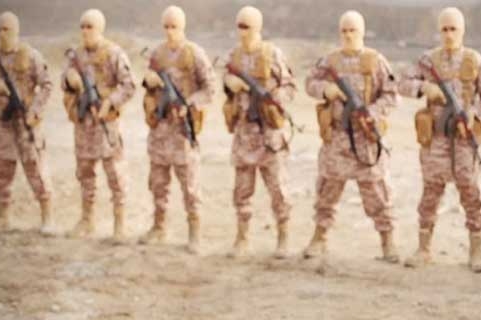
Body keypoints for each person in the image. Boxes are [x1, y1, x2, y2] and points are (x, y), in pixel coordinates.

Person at [398, 7, 481, 271]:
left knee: (470, 192)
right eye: (444, 29)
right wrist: (424, 87)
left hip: (464, 139)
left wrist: (474, 112)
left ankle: (476, 252)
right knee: (430, 193)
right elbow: (402, 83)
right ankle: (423, 249)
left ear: (462, 30)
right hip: (436, 140)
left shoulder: (474, 60)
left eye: (453, 29)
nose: (449, 34)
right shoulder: (428, 60)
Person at [302, 10, 400, 263]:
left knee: (377, 193)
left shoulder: (375, 61)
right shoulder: (330, 61)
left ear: (362, 32)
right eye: (344, 31)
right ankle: (319, 239)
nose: (347, 35)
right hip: (337, 138)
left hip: (366, 139)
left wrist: (372, 113)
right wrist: (327, 89)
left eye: (352, 30)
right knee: (327, 191)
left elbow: (392, 95)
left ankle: (388, 243)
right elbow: (309, 83)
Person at [139, 5, 216, 254]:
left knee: (190, 187)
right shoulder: (157, 53)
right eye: (166, 26)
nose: (170, 31)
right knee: (157, 184)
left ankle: (195, 233)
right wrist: (149, 81)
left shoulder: (195, 54)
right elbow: (148, 83)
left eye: (174, 26)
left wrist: (189, 104)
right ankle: (158, 227)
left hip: (183, 131)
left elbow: (210, 89)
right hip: (160, 131)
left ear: (183, 27)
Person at [222, 6, 296, 259]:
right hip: (244, 135)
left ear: (258, 27)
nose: (242, 31)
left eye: (247, 26)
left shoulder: (272, 54)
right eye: (239, 26)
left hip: (269, 137)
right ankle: (242, 238)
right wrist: (230, 84)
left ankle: (283, 239)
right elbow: (225, 79)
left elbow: (290, 88)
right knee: (241, 191)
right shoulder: (234, 56)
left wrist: (272, 100)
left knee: (278, 190)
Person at [62, 9, 135, 242]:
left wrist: (110, 102)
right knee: (85, 174)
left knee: (115, 175)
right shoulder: (75, 56)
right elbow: (64, 83)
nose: (85, 31)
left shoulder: (114, 53)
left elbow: (129, 85)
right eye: (82, 26)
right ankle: (87, 220)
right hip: (83, 125)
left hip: (107, 125)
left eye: (90, 26)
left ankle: (119, 225)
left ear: (100, 28)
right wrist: (69, 79)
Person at [0, 11, 54, 234]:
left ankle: (47, 217)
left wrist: (35, 111)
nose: (2, 34)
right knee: (2, 172)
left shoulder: (31, 56)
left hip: (26, 123)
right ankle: (3, 217)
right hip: (3, 123)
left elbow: (47, 85)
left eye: (6, 29)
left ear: (16, 31)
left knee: (36, 170)